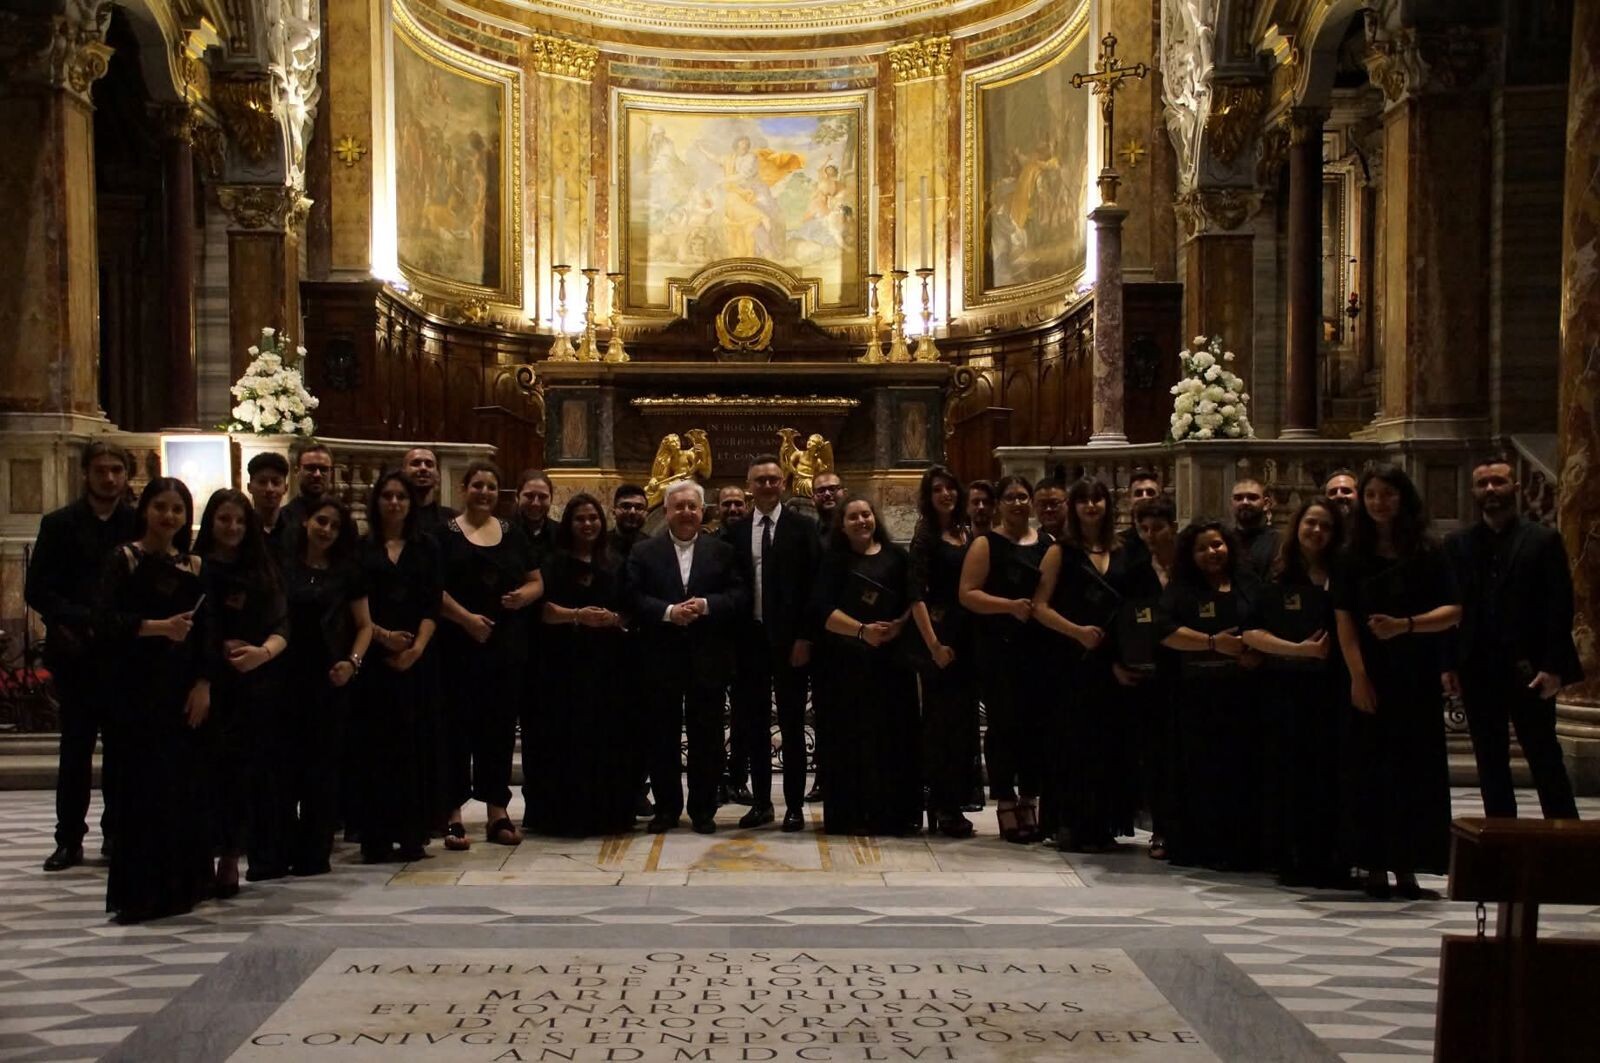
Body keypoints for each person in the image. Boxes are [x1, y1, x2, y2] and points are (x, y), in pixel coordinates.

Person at [1333, 465, 1461, 900]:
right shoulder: (1352, 555)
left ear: (1402, 499)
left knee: (1415, 772)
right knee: (1370, 772)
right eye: (1371, 496)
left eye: (1386, 495)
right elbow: (1345, 622)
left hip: (1415, 675)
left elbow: (1453, 611)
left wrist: (1406, 625)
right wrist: (1357, 678)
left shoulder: (1427, 551)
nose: (1378, 503)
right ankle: (1373, 864)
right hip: (1370, 674)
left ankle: (1409, 864)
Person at [93, 477, 211, 923]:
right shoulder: (123, 559)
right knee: (139, 792)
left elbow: (206, 635)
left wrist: (203, 684)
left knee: (181, 790)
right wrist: (159, 627)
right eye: (161, 507)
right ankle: (140, 893)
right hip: (136, 690)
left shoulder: (195, 566)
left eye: (177, 509)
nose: (169, 517)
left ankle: (181, 887)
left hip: (181, 690)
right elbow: (104, 621)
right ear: (145, 510)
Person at [1444, 457, 1581, 820]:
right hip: (1478, 667)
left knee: (1543, 756)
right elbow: (1452, 609)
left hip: (1530, 667)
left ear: (1515, 489)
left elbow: (1560, 606)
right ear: (1473, 491)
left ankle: (1566, 842)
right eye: (1483, 484)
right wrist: (1449, 664)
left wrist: (1554, 667)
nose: (1490, 490)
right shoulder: (1458, 544)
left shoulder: (1543, 539)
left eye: (1498, 483)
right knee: (1490, 761)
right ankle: (1501, 843)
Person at [26, 441, 138, 872]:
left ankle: (116, 832)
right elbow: (39, 589)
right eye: (101, 470)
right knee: (74, 750)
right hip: (75, 650)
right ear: (86, 474)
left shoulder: (134, 523)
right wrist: (82, 618)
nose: (109, 478)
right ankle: (68, 838)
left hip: (123, 653)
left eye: (116, 471)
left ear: (126, 476)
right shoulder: (59, 524)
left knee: (122, 750)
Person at [624, 481, 749, 834]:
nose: (686, 513)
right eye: (678, 507)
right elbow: (632, 596)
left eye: (692, 507)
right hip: (659, 658)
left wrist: (707, 606)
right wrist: (668, 612)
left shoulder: (722, 551)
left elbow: (739, 594)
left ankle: (703, 809)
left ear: (702, 511)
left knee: (706, 737)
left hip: (707, 658)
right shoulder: (644, 551)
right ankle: (666, 809)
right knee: (661, 735)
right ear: (666, 511)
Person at [1242, 498, 1349, 887]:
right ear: (1297, 527)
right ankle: (1290, 854)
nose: (1317, 532)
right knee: (1289, 773)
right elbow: (1250, 632)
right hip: (1285, 689)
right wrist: (1299, 651)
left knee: (1329, 773)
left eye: (1325, 526)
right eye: (1310, 524)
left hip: (1333, 688)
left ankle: (1330, 855)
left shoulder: (1344, 573)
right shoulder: (1277, 574)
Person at [439, 461, 542, 849]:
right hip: (459, 646)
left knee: (497, 731)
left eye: (491, 487)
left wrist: (522, 598)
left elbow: (537, 582)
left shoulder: (513, 533)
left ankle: (497, 812)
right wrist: (466, 620)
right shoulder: (446, 534)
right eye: (477, 485)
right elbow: (433, 589)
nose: (484, 493)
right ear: (464, 488)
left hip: (505, 647)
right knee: (457, 732)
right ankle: (452, 815)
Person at [191, 489, 287, 897]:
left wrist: (262, 652)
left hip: (254, 684)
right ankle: (198, 860)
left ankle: (233, 857)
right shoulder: (195, 568)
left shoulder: (262, 570)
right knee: (204, 776)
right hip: (207, 684)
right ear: (211, 523)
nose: (232, 528)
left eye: (239, 521)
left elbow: (283, 624)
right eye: (224, 520)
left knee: (243, 775)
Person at [1033, 478, 1134, 852]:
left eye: (1098, 500)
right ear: (1073, 508)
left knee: (1108, 745)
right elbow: (1039, 607)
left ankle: (1102, 822)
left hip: (1109, 663)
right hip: (1069, 662)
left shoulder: (1122, 550)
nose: (1091, 506)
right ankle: (1071, 823)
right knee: (1072, 744)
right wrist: (1076, 632)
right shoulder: (1062, 551)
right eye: (1084, 501)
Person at [274, 496, 372, 877]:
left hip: (330, 677)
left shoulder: (348, 571)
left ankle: (315, 851)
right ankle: (281, 846)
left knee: (322, 769)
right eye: (321, 521)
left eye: (333, 525)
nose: (326, 529)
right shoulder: (283, 567)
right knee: (284, 767)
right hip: (285, 676)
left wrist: (352, 663)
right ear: (305, 523)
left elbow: (364, 625)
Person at [812, 498, 919, 835]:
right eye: (853, 516)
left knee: (892, 737)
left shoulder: (897, 558)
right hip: (844, 664)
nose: (861, 521)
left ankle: (893, 815)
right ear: (841, 525)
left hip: (890, 664)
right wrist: (862, 631)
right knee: (849, 739)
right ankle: (851, 816)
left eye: (866, 514)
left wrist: (899, 625)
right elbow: (821, 611)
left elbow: (913, 602)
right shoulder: (832, 561)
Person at [1158, 520, 1261, 871]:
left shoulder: (1249, 585)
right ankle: (1198, 844)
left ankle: (1240, 846)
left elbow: (1264, 626)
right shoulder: (1181, 588)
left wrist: (1253, 652)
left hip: (1243, 696)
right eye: (1202, 548)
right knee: (1199, 772)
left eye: (1216, 545)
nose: (1211, 553)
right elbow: (1165, 631)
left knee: (1241, 772)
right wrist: (1215, 643)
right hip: (1195, 697)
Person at [354, 470, 442, 863]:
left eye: (401, 497)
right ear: (377, 502)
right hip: (372, 657)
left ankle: (411, 833)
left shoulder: (426, 548)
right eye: (387, 496)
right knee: (374, 748)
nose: (394, 503)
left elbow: (431, 603)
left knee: (414, 746)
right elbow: (351, 603)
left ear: (411, 504)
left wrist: (416, 649)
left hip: (416, 660)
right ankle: (375, 835)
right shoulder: (361, 549)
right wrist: (382, 637)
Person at [727, 456, 819, 831]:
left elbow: (815, 589)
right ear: (749, 485)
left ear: (783, 484)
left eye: (773, 480)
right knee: (753, 726)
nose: (767, 485)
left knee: (794, 726)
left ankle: (794, 805)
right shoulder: (734, 532)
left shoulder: (802, 528)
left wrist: (805, 637)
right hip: (750, 642)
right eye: (760, 480)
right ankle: (762, 802)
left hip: (790, 642)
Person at [959, 475, 1050, 843]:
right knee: (1003, 725)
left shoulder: (1046, 542)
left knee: (1034, 725)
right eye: (1010, 497)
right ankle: (1006, 801)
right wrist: (1009, 606)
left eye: (1022, 496)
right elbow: (967, 594)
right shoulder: (986, 544)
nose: (1017, 503)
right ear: (999, 504)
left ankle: (1030, 796)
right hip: (998, 644)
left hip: (1037, 644)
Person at [540, 493, 636, 836]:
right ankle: (568, 816)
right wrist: (578, 616)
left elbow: (631, 608)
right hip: (565, 663)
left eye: (593, 518)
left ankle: (608, 814)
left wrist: (614, 618)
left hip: (608, 666)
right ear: (569, 523)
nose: (587, 524)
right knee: (568, 739)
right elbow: (544, 610)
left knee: (607, 738)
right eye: (580, 518)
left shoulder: (615, 561)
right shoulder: (553, 562)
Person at [907, 466, 975, 838]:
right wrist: (933, 645)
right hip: (939, 637)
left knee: (963, 723)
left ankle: (956, 801)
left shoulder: (966, 532)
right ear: (928, 497)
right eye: (937, 490)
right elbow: (916, 594)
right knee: (940, 725)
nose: (946, 494)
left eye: (950, 488)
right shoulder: (926, 536)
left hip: (965, 637)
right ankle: (941, 805)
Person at [1112, 497, 1181, 860]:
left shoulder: (1189, 567)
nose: (1151, 535)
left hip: (1186, 675)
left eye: (1158, 528)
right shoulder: (1133, 568)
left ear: (1172, 526)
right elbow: (1116, 618)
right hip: (1146, 675)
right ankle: (1160, 829)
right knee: (1154, 756)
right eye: (1144, 529)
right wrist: (1116, 663)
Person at [512, 468, 556, 832]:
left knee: (545, 732)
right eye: (530, 495)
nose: (536, 502)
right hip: (509, 640)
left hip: (551, 645)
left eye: (543, 496)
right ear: (517, 497)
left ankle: (543, 806)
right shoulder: (503, 532)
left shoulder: (560, 535)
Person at [1231, 478, 1280, 579]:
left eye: (1252, 498)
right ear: (1231, 503)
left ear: (1266, 504)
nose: (1244, 502)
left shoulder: (1279, 542)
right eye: (1238, 498)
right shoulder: (1224, 541)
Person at [403, 447, 456, 540]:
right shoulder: (393, 517)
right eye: (416, 463)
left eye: (429, 464)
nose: (423, 468)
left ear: (438, 476)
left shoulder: (452, 519)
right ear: (402, 473)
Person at [282, 443, 334, 531]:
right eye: (311, 468)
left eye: (323, 469)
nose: (317, 474)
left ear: (331, 474)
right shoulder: (282, 518)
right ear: (296, 471)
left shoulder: (343, 518)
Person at [246, 451, 291, 548]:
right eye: (262, 482)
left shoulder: (295, 530)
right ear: (249, 487)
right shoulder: (242, 528)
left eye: (276, 482)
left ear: (285, 488)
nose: (269, 489)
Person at [1119, 469, 1164, 563]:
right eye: (1138, 493)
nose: (1144, 497)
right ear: (1129, 500)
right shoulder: (1119, 543)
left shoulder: (1170, 540)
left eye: (1150, 492)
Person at [609, 483, 650, 558]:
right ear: (614, 512)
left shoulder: (653, 547)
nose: (632, 512)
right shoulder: (599, 544)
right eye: (626, 506)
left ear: (646, 513)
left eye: (639, 507)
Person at [812, 471, 845, 542]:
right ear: (813, 498)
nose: (827, 494)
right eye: (821, 491)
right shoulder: (809, 535)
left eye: (833, 489)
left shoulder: (857, 528)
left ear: (844, 493)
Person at [1033, 477, 1069, 542]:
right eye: (1042, 504)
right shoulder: (1032, 542)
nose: (1048, 509)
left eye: (1054, 503)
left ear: (1068, 504)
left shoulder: (1082, 540)